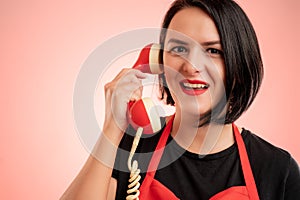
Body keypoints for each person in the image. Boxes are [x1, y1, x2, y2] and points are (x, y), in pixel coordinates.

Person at [61, 0, 300, 199]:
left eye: (213, 51)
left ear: (238, 63)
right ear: (158, 61)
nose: (191, 66)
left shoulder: (278, 169)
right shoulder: (131, 147)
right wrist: (112, 127)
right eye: (179, 49)